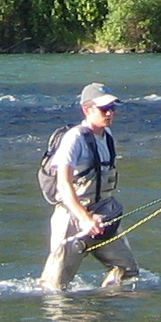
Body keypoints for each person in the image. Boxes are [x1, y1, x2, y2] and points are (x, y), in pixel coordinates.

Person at [40, 81, 141, 290]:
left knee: (128, 272)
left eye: (112, 108)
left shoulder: (108, 136)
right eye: (104, 109)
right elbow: (64, 185)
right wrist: (85, 219)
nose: (110, 113)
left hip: (102, 216)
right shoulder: (74, 138)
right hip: (72, 218)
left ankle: (103, 311)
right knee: (55, 288)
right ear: (87, 109)